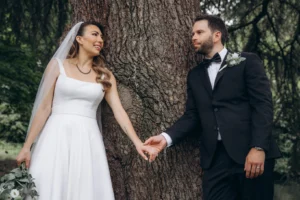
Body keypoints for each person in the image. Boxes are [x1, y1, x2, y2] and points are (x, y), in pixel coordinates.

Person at [144, 14, 281, 200]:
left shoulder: (247, 62)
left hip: (250, 154)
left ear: (217, 35)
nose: (193, 37)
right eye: (192, 33)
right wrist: (165, 138)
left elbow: (263, 106)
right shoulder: (195, 75)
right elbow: (192, 115)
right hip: (215, 159)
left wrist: (258, 147)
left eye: (199, 32)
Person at [16, 21, 158, 200]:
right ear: (79, 39)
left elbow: (119, 112)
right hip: (56, 135)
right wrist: (27, 147)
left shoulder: (105, 76)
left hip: (87, 139)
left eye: (101, 36)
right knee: (50, 184)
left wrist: (138, 142)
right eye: (95, 34)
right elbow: (44, 108)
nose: (100, 40)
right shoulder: (57, 65)